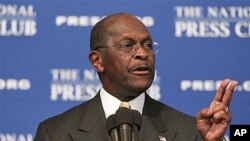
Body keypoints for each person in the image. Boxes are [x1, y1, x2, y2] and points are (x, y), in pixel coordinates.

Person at [34, 12, 238, 141]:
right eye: (128, 45)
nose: (143, 53)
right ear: (98, 61)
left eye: (148, 45)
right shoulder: (55, 133)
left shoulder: (190, 131)